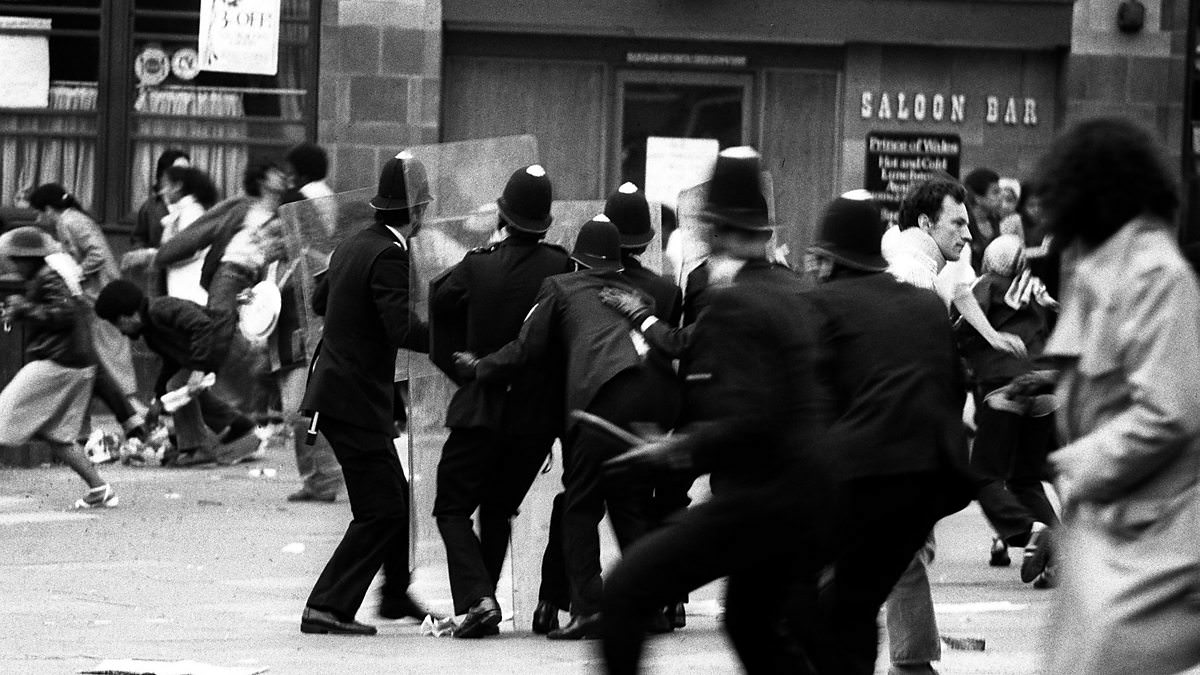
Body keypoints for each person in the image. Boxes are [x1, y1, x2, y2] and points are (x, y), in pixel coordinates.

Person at [598, 147, 833, 673]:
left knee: (626, 590)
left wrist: (680, 446)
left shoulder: (734, 301)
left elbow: (755, 418)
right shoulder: (798, 290)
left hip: (765, 497)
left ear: (713, 228)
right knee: (749, 623)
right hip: (813, 497)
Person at [461, 217, 676, 641]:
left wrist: (481, 366)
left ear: (576, 259)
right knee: (629, 502)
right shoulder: (636, 293)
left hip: (603, 399)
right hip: (656, 399)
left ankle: (590, 609)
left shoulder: (560, 287)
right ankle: (649, 609)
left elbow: (526, 348)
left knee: (580, 506)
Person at [1036, 118, 1200, 674]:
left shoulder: (1155, 274)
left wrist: (1075, 467)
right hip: (1113, 530)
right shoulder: (1102, 268)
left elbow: (1169, 411)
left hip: (1151, 539)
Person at [804, 194, 973, 675]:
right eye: (958, 222)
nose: (967, 234)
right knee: (868, 592)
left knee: (838, 603)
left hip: (860, 472)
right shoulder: (921, 293)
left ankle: (911, 656)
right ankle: (913, 657)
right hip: (922, 470)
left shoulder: (825, 304)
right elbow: (950, 383)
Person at [428, 164, 574, 638]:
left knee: (451, 507)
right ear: (545, 221)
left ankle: (478, 599)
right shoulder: (563, 267)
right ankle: (483, 604)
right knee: (497, 509)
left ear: (503, 214)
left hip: (482, 407)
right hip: (535, 421)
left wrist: (460, 369)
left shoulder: (477, 264)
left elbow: (437, 300)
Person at [297, 152, 433, 636]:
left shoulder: (356, 244)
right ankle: (325, 606)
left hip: (343, 393)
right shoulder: (390, 254)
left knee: (395, 496)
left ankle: (394, 595)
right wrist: (454, 339)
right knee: (382, 509)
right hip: (351, 398)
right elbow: (400, 326)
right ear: (417, 212)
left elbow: (318, 300)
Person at [956, 234, 1060, 586]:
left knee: (984, 474)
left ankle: (1028, 531)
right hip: (1045, 386)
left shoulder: (987, 284)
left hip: (1005, 385)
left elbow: (963, 318)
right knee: (1026, 479)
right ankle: (1058, 550)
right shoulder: (1035, 287)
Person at [0, 227, 116, 509]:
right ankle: (100, 489)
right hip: (76, 364)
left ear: (29, 259)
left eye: (15, 260)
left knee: (4, 412)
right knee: (57, 436)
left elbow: (61, 315)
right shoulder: (49, 277)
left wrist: (23, 308)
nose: (12, 265)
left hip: (59, 362)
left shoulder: (48, 278)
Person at [92, 279, 256, 467]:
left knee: (178, 386)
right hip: (209, 349)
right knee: (180, 390)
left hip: (223, 340)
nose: (121, 331)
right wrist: (157, 400)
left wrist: (198, 369)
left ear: (130, 315)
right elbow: (172, 363)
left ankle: (197, 448)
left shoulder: (160, 309)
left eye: (118, 323)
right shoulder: (151, 331)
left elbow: (202, 326)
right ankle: (237, 424)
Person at [28, 183, 140, 405]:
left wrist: (76, 273)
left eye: (39, 212)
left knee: (110, 347)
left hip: (103, 295)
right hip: (98, 295)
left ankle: (131, 402)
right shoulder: (70, 220)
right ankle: (125, 402)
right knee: (105, 347)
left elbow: (97, 253)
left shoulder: (70, 221)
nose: (37, 219)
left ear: (49, 209)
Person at [129, 149, 191, 250]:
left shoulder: (194, 204)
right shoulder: (150, 207)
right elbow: (138, 239)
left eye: (188, 171)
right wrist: (147, 253)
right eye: (179, 171)